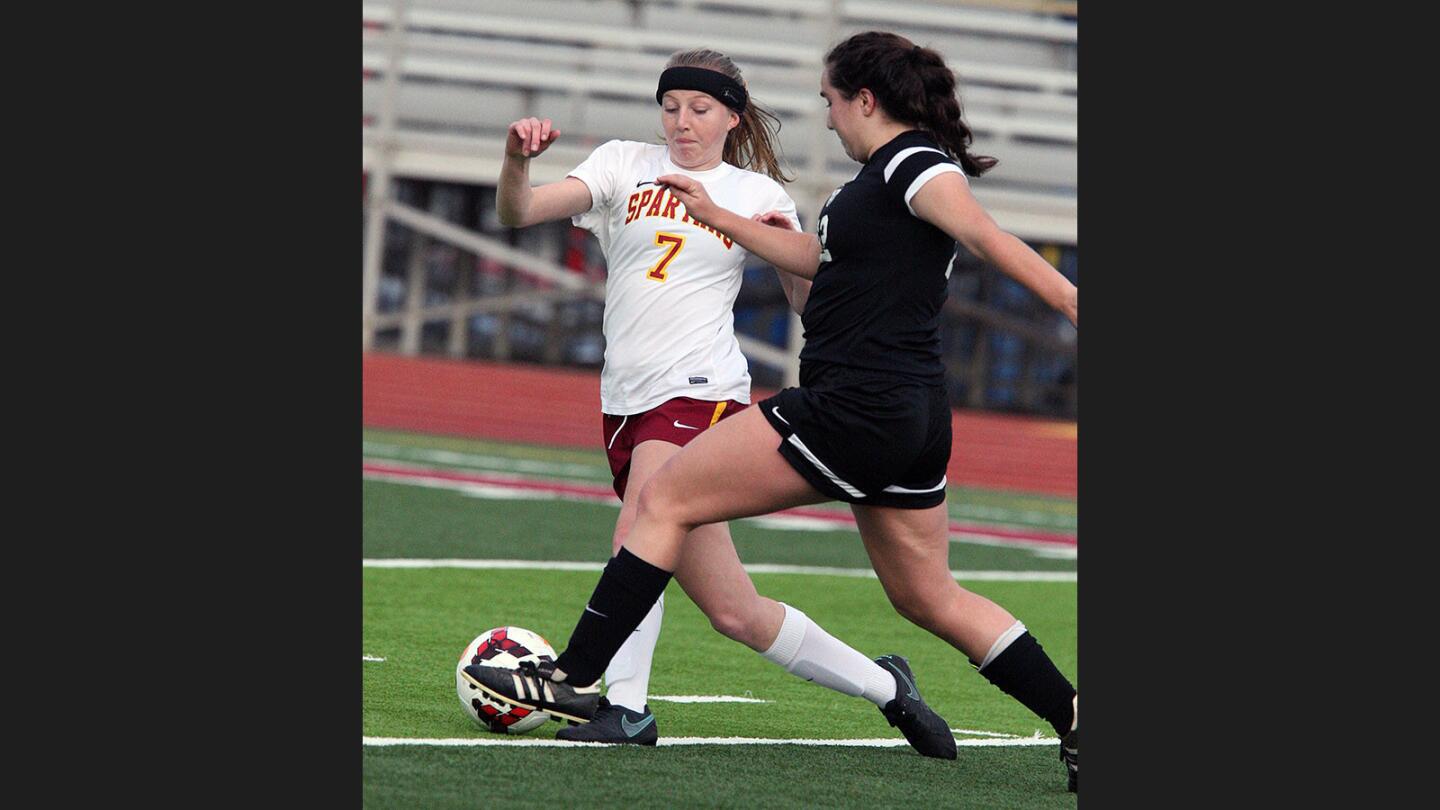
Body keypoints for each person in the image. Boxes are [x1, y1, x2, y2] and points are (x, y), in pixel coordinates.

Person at [469, 31, 1081, 791]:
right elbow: (824, 269)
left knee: (660, 500)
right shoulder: (871, 182)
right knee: (925, 595)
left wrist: (1070, 299)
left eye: (830, 100)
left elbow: (983, 233)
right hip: (909, 410)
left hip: (851, 402)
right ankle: (1074, 715)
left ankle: (580, 680)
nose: (826, 118)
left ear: (864, 98)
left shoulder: (914, 164)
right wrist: (720, 217)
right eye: (671, 106)